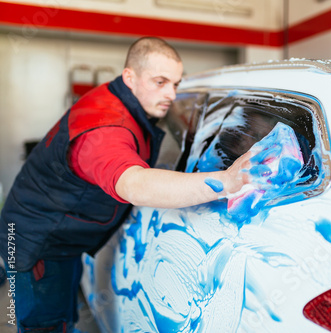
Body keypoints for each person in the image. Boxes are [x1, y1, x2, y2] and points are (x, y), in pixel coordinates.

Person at [0, 36, 251, 332]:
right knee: (43, 325)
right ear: (129, 77)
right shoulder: (107, 127)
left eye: (175, 83)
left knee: (62, 316)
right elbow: (134, 185)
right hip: (35, 240)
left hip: (58, 236)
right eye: (160, 82)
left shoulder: (122, 99)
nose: (171, 94)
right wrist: (226, 181)